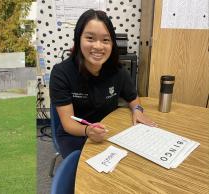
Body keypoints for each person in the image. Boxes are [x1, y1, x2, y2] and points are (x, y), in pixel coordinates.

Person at [49, 9, 156, 157]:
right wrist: (88, 130)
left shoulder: (117, 71)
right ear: (78, 39)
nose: (98, 46)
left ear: (112, 43)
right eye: (90, 38)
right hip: (75, 134)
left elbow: (133, 98)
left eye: (105, 40)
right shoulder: (61, 73)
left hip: (108, 130)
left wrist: (137, 110)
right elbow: (68, 123)